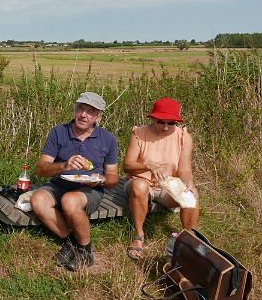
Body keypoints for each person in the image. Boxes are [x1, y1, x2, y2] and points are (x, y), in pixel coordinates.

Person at [29, 92, 119, 271]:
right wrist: (64, 166)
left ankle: (86, 250)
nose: (83, 115)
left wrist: (100, 180)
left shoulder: (107, 139)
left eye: (91, 111)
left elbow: (113, 178)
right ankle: (71, 242)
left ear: (98, 117)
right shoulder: (58, 132)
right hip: (59, 184)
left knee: (69, 200)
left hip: (89, 190)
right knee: (37, 199)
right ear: (74, 110)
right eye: (81, 108)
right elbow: (40, 169)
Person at [123, 97, 199, 260]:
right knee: (139, 186)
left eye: (171, 123)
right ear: (153, 118)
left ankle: (188, 241)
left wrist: (188, 183)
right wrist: (148, 165)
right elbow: (127, 166)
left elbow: (185, 168)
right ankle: (139, 236)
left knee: (191, 196)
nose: (165, 127)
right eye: (161, 121)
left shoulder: (184, 137)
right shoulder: (138, 133)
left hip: (168, 186)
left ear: (176, 122)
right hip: (140, 182)